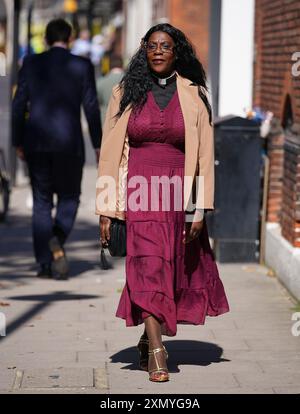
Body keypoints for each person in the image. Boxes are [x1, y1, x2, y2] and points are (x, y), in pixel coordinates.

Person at [96, 23, 229, 382]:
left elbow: (203, 156)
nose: (158, 51)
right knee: (147, 265)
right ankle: (157, 352)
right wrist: (107, 208)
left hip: (177, 192)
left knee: (168, 269)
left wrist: (199, 207)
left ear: (176, 53)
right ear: (144, 51)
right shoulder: (125, 92)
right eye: (152, 46)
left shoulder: (194, 94)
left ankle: (147, 335)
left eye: (165, 46)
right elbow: (110, 155)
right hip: (138, 189)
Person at [12, 18, 102, 280]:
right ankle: (57, 239)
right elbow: (92, 107)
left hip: (36, 142)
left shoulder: (30, 63)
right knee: (70, 197)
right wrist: (97, 143)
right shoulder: (82, 65)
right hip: (69, 144)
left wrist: (17, 141)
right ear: (70, 39)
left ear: (46, 39)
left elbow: (19, 104)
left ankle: (43, 264)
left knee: (41, 202)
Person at [96, 54, 124, 125]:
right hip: (123, 123)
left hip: (105, 122)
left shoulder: (100, 82)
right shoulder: (131, 82)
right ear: (122, 64)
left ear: (109, 65)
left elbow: (96, 103)